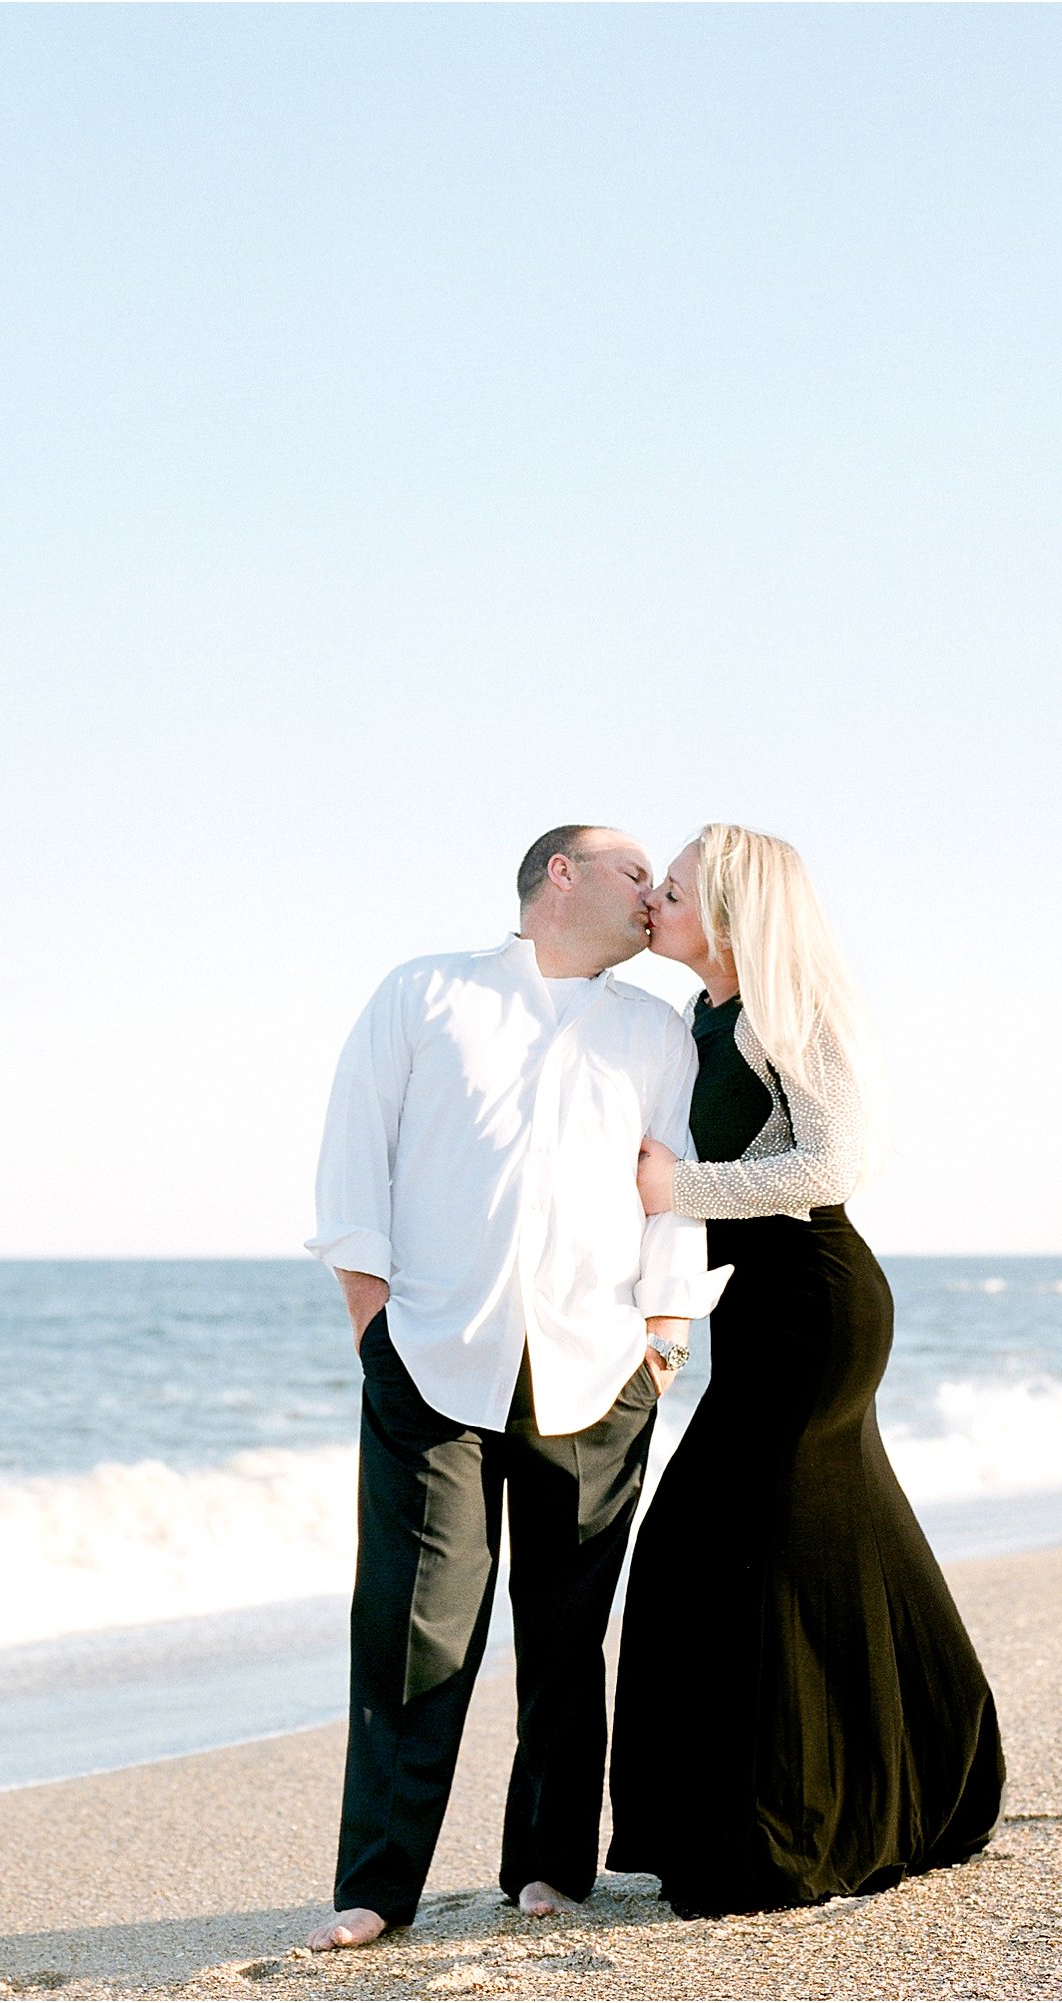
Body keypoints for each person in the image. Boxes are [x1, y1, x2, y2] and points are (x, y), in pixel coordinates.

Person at [303, 824, 729, 1949]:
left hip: (599, 1363)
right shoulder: (425, 994)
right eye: (635, 872)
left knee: (564, 1627)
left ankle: (547, 1863)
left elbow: (673, 1186)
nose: (653, 895)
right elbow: (356, 1157)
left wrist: (666, 1332)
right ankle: (376, 1885)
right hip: (433, 1357)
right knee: (412, 1625)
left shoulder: (652, 1029)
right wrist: (372, 1322)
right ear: (562, 874)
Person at [607, 822, 1004, 1916]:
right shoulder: (702, 1013)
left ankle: (781, 1828)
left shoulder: (790, 1011)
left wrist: (674, 1192)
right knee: (833, 1536)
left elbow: (837, 1158)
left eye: (673, 890)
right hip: (765, 1308)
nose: (655, 902)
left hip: (817, 1303)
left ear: (728, 914)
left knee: (715, 1545)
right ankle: (928, 1777)